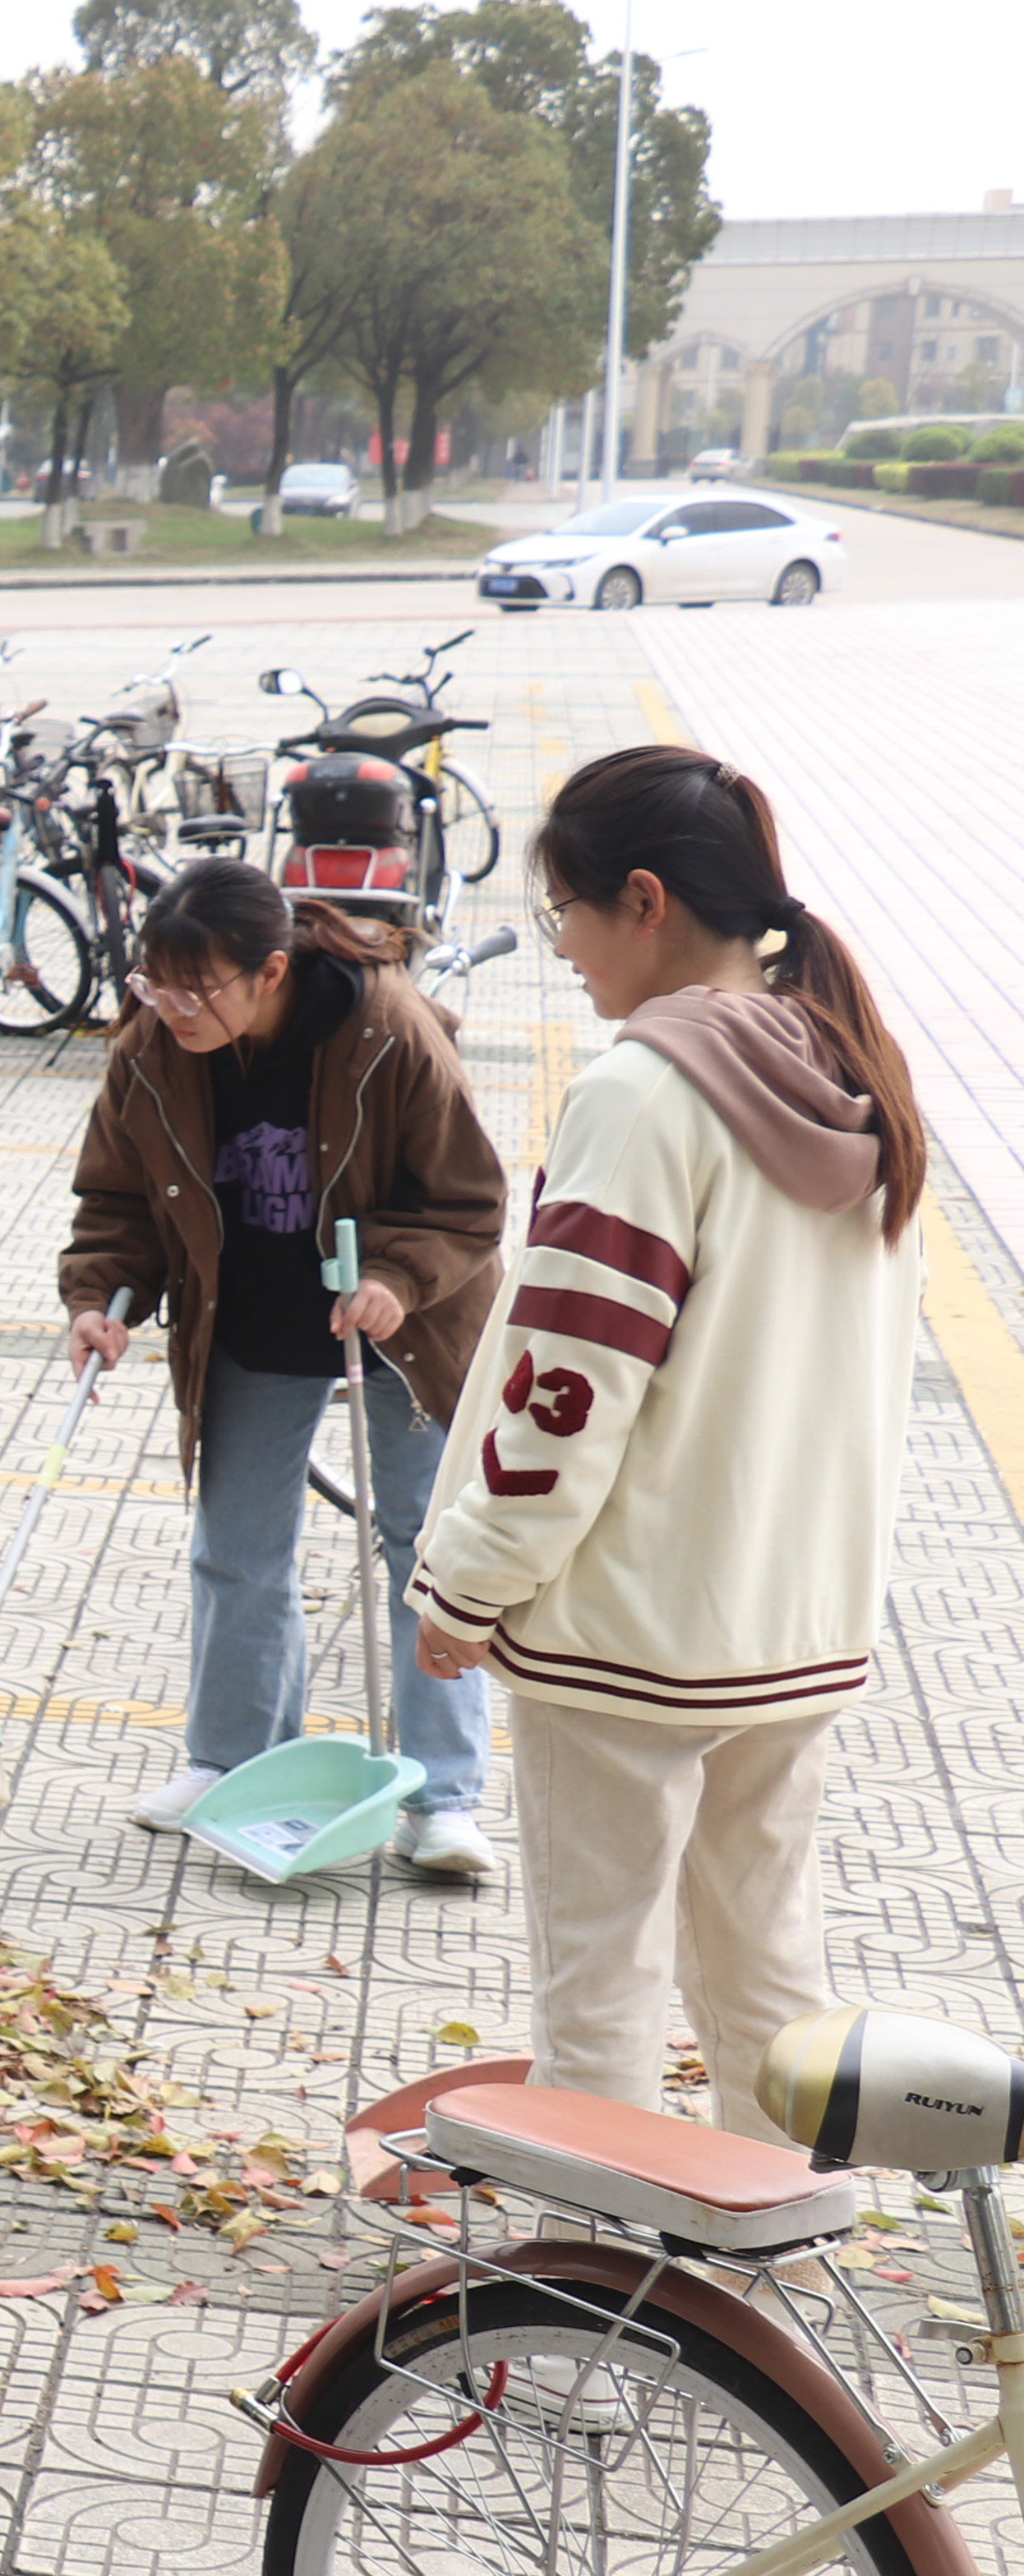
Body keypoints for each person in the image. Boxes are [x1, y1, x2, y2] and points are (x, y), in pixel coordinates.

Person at [411, 747, 928, 2133]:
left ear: (644, 901)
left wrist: (467, 1584)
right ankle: (766, 2278)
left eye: (569, 913)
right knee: (769, 1975)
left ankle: (594, 2312)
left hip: (625, 1636)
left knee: (599, 1992)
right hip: (794, 1627)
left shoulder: (647, 1097)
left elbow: (566, 1390)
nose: (566, 950)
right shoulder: (852, 1071)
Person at [58, 860, 508, 1875]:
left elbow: (467, 1202)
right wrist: (98, 1298)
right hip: (248, 1312)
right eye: (152, 987)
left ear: (269, 971)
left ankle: (440, 1795)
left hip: (401, 1323)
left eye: (194, 990)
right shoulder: (151, 1047)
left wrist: (396, 1275)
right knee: (235, 1546)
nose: (169, 1010)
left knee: (422, 1548)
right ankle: (231, 1759)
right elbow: (116, 1195)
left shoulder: (386, 1029)